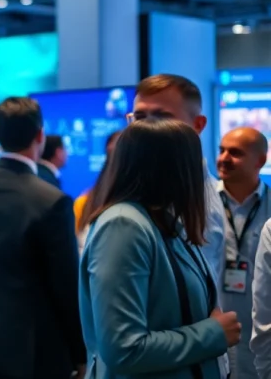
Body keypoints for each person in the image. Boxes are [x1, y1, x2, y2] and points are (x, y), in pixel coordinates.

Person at [80, 119, 238, 378]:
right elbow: (124, 349)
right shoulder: (123, 225)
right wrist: (214, 334)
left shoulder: (164, 222)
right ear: (176, 169)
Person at [0, 97, 84, 379]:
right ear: (40, 135)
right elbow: (66, 288)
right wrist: (80, 354)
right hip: (33, 352)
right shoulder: (53, 201)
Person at [129, 74, 225, 288]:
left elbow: (196, 293)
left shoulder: (202, 203)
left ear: (197, 124)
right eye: (139, 117)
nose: (146, 128)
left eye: (161, 117)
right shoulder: (134, 183)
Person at [213, 128, 270, 379]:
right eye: (221, 150)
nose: (223, 158)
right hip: (212, 338)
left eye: (235, 153)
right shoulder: (200, 205)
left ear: (260, 160)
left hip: (259, 339)